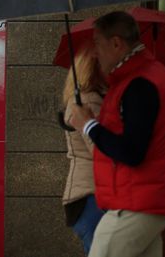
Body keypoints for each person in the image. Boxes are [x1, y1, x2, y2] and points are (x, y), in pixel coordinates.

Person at [67, 11, 165, 257]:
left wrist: (89, 125)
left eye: (97, 43)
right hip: (144, 202)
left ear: (116, 43)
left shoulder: (139, 83)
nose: (95, 52)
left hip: (134, 203)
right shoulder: (143, 77)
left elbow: (131, 151)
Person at [61, 47, 106, 255]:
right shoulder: (89, 101)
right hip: (92, 196)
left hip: (85, 196)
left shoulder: (81, 99)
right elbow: (101, 149)